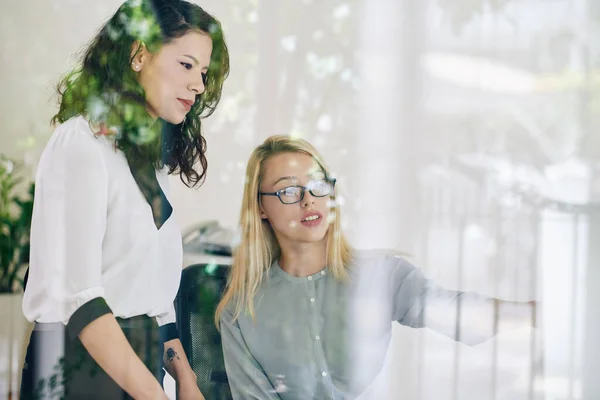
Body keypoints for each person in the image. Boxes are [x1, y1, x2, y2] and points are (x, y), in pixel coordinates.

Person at [215, 135, 538, 399]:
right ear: (260, 207)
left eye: (317, 185)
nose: (308, 200)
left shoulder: (380, 276)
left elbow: (456, 313)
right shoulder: (241, 310)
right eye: (288, 190)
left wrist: (532, 312)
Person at [20, 0, 229, 398]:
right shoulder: (80, 143)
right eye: (187, 65)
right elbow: (80, 299)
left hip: (137, 370)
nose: (199, 85)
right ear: (138, 54)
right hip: (77, 374)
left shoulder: (153, 165)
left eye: (202, 73)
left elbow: (154, 297)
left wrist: (185, 379)